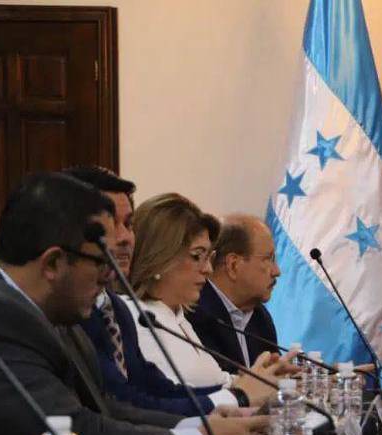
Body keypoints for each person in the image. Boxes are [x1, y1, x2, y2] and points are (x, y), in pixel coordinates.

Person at [0, 173, 269, 435]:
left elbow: (106, 409)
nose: (111, 274)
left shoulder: (53, 314)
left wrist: (199, 424)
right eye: (101, 261)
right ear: (53, 263)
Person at [66, 166, 251, 416]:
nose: (124, 237)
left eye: (128, 224)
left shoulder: (116, 308)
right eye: (108, 225)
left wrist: (240, 396)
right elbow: (122, 404)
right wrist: (239, 396)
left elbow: (158, 389)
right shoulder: (86, 311)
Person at [124, 193, 291, 403]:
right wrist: (245, 391)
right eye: (197, 256)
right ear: (161, 257)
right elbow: (165, 397)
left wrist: (265, 378)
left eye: (208, 257)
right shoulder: (134, 316)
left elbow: (219, 381)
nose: (208, 269)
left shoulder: (178, 315)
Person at [185, 214, 280, 372]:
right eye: (268, 259)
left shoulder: (260, 317)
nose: (277, 271)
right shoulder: (195, 314)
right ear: (233, 265)